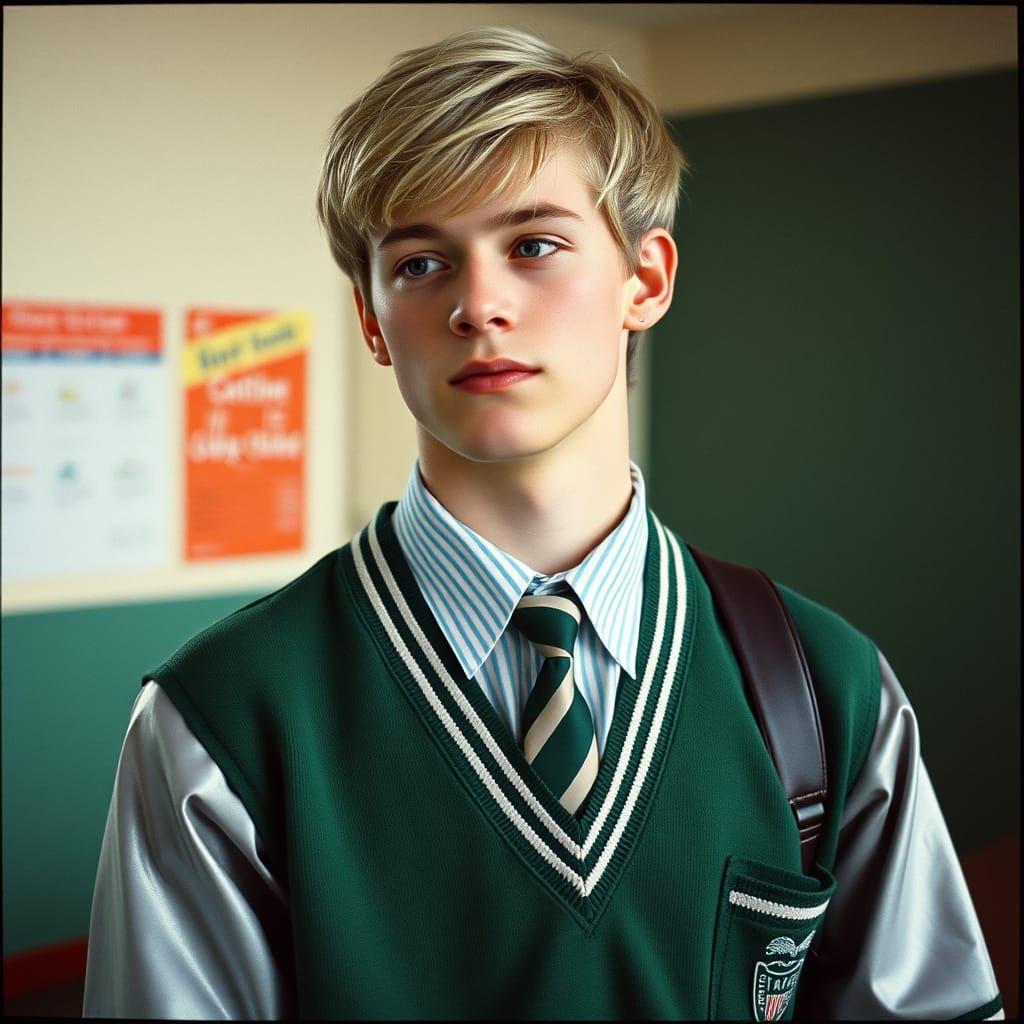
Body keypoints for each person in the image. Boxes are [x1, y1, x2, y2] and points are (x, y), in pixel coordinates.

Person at [84, 26, 1003, 1020]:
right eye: (422, 263)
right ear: (370, 319)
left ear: (643, 280)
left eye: (534, 245)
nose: (479, 303)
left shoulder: (828, 688)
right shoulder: (219, 717)